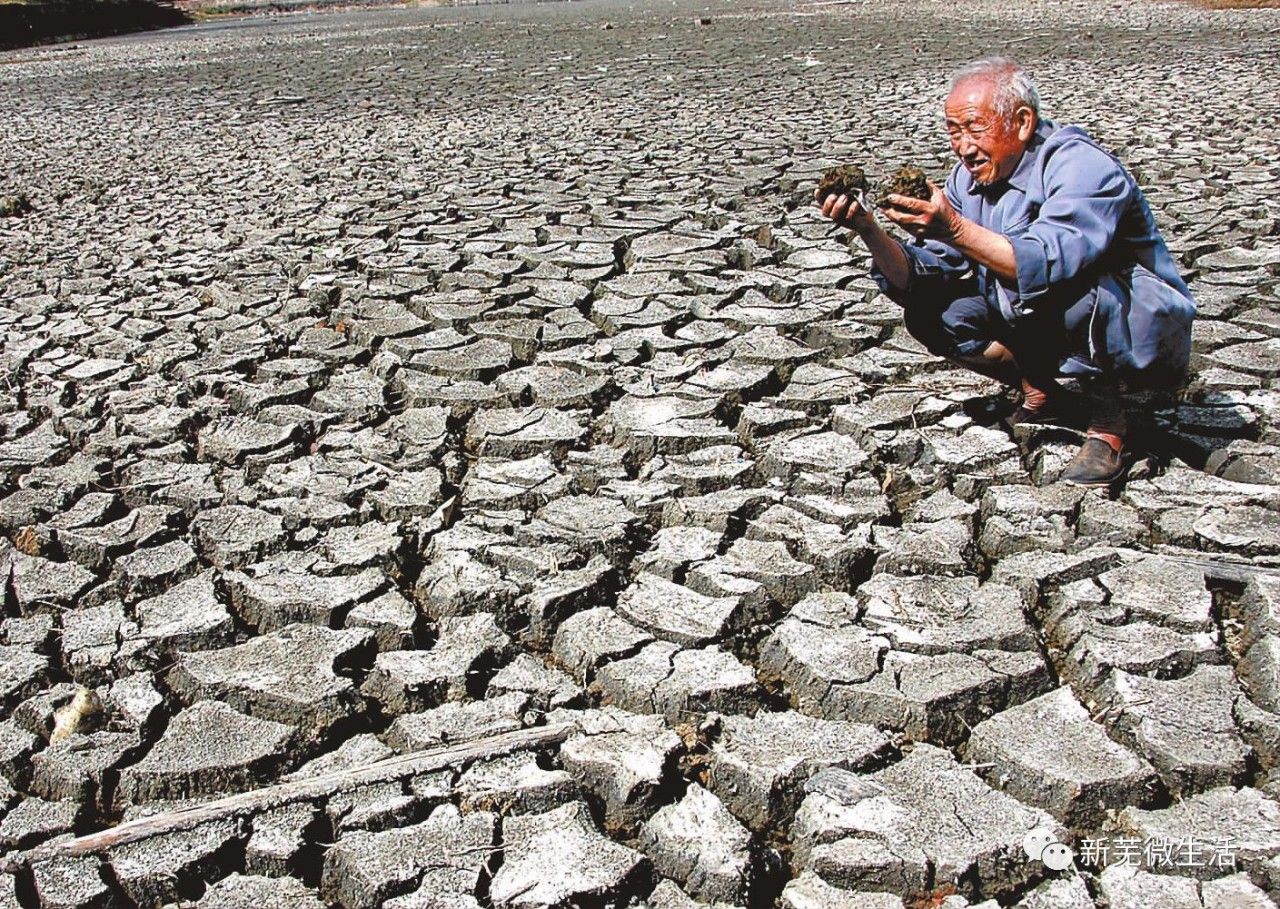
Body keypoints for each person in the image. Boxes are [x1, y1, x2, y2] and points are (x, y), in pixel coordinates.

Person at [816, 57, 1195, 486]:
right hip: (1043, 312)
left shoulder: (1079, 166)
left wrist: (954, 229)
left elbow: (1048, 263)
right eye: (953, 131)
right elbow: (918, 277)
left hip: (1139, 328)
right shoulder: (968, 180)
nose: (962, 146)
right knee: (934, 312)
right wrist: (868, 229)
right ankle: (1041, 387)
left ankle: (1112, 423)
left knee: (1055, 293)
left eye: (975, 129)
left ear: (1021, 122)